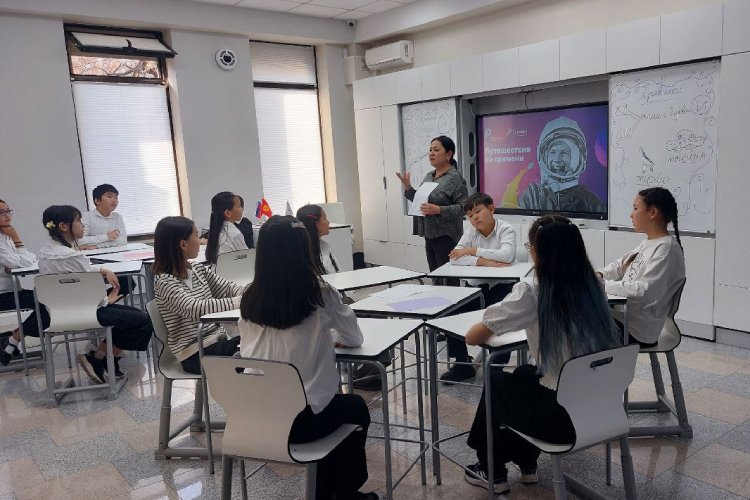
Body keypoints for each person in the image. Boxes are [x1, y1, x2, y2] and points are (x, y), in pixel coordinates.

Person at [462, 215, 620, 495]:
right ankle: (526, 463)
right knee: (525, 374)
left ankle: (492, 469)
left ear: (536, 251)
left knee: (496, 381)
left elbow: (473, 336)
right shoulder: (595, 288)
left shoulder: (533, 293)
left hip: (561, 421)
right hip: (601, 409)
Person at [238, 215, 376, 500]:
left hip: (254, 418)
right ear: (304, 250)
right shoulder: (320, 293)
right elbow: (354, 338)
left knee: (333, 407)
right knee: (354, 408)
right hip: (301, 423)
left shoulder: (249, 298)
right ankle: (343, 494)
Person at [37, 205, 152, 383]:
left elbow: (79, 275)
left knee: (130, 317)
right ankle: (99, 358)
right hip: (85, 311)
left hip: (58, 313)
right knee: (143, 320)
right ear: (64, 226)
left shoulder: (45, 252)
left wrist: (102, 269)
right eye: (78, 221)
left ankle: (98, 357)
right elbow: (89, 290)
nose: (82, 225)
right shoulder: (72, 255)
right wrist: (107, 300)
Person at [153, 216, 246, 375]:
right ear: (183, 245)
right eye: (196, 236)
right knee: (254, 348)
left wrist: (253, 292)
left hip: (216, 342)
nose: (201, 241)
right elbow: (195, 308)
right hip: (194, 354)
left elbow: (228, 288)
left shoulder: (197, 269)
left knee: (258, 341)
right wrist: (240, 301)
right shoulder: (164, 281)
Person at [439, 192, 516, 382]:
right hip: (475, 288)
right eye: (470, 215)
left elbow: (506, 255)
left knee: (500, 316)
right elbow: (454, 258)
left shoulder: (506, 229)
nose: (474, 218)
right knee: (452, 313)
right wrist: (484, 261)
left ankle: (497, 365)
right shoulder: (470, 232)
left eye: (478, 212)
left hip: (501, 287)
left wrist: (472, 251)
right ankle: (462, 364)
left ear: (491, 209)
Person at [597, 187, 686, 346]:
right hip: (623, 318)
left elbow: (644, 290)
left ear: (652, 212)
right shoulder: (649, 242)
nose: (631, 215)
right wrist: (599, 274)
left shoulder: (666, 249)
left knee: (573, 324)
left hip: (636, 330)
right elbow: (620, 265)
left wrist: (603, 285)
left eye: (635, 208)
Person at [396, 135, 468, 282]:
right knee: (435, 277)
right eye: (430, 150)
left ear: (448, 154)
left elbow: (464, 208)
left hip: (447, 237)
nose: (431, 154)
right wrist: (408, 188)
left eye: (436, 150)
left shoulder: (455, 178)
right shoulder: (429, 175)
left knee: (448, 280)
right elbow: (421, 201)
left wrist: (439, 209)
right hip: (429, 234)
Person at [0, 199, 51, 365]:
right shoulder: (7, 236)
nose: (7, 216)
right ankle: (12, 340)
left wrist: (17, 245)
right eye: (1, 213)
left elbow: (30, 258)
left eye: (8, 211)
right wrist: (17, 240)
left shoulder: (5, 235)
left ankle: (12, 339)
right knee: (48, 304)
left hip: (11, 290)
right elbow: (20, 261)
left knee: (49, 301)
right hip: (3, 294)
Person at [519, 117, 605, 213]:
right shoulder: (531, 197)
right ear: (542, 155)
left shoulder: (591, 202)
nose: (557, 159)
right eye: (553, 152)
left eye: (564, 153)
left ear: (578, 157)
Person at [205, 191, 248, 268]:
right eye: (239, 206)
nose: (242, 209)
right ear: (228, 213)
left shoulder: (216, 230)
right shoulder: (234, 233)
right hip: (233, 272)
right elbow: (246, 257)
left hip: (217, 272)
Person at [79, 184, 127, 249]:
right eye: (109, 196)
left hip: (115, 252)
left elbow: (123, 240)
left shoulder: (118, 217)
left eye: (116, 197)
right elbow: (80, 241)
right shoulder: (86, 216)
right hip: (92, 253)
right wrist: (107, 237)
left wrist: (97, 246)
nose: (114, 200)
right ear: (97, 200)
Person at [296, 204, 340, 274]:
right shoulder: (302, 253)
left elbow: (338, 271)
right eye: (325, 218)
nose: (328, 222)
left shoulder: (324, 246)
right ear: (314, 223)